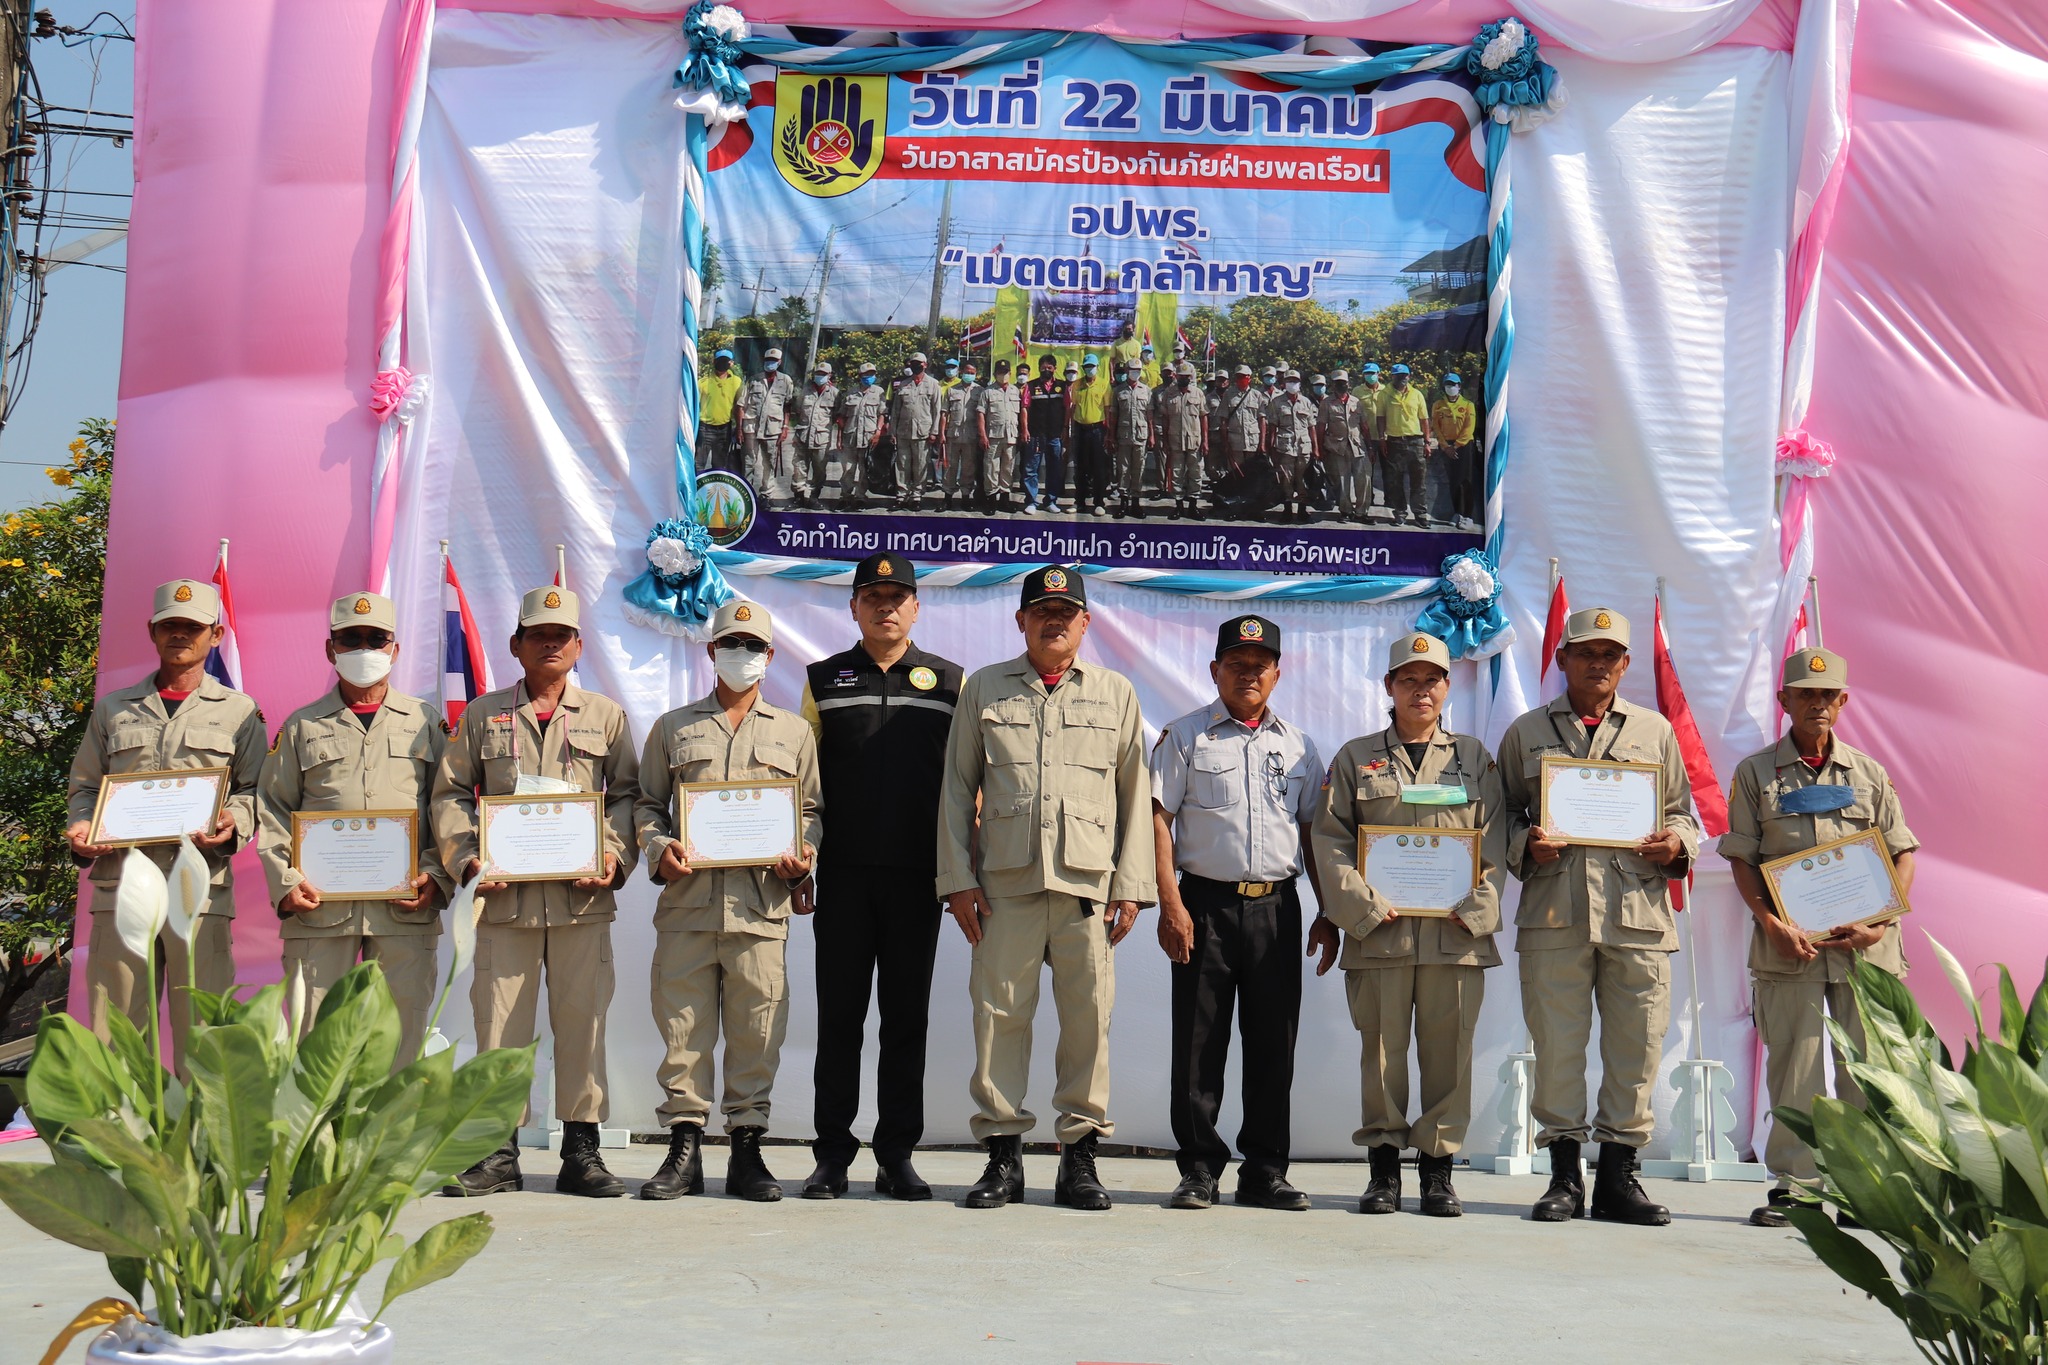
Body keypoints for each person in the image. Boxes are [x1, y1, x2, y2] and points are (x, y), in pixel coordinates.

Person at [938, 566, 1155, 1210]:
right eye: (1040, 610)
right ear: (1021, 621)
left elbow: (1134, 795)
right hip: (1006, 884)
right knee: (999, 1017)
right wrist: (957, 881)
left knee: (1088, 1021)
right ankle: (1003, 1157)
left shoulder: (1115, 693)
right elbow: (956, 790)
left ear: (1085, 623)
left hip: (1088, 886)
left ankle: (1079, 1160)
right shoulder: (985, 689)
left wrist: (1132, 885)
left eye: (1066, 611)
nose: (1053, 620)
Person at [433, 585, 640, 1199]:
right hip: (503, 900)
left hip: (581, 900)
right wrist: (467, 858)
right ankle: (497, 1152)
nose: (550, 643)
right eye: (538, 634)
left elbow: (628, 796)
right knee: (498, 1026)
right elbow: (448, 794)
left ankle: (582, 1151)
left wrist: (613, 853)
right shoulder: (481, 715)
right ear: (516, 644)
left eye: (562, 634)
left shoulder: (606, 716)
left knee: (584, 1023)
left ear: (578, 645)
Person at [1498, 607, 1699, 1226]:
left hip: (1636, 912)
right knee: (1557, 1046)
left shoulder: (1655, 731)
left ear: (1626, 664)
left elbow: (1684, 812)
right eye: (1585, 652)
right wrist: (1522, 845)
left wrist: (1677, 845)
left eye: (1610, 654)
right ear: (1563, 659)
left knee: (1635, 1048)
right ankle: (1563, 1176)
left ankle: (1619, 1178)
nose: (1597, 663)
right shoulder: (1527, 732)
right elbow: (1498, 815)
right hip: (1556, 913)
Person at [1718, 646, 1918, 1229]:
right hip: (1791, 948)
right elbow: (1743, 858)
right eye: (1806, 693)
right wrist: (1770, 922)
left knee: (1868, 1071)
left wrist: (1881, 920)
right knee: (1795, 1069)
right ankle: (1797, 1189)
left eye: (1827, 695)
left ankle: (1865, 1192)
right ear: (1785, 700)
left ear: (1843, 701)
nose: (1817, 704)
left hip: (1867, 950)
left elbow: (1903, 852)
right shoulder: (1756, 775)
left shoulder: (1870, 774)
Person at [1312, 631, 1506, 1218]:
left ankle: (1439, 1172)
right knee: (1382, 1055)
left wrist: (1475, 911)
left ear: (1448, 687)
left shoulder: (1475, 758)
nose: (1420, 690)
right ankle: (1383, 1171)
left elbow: (1494, 843)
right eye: (1408, 680)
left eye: (1432, 679)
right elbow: (1330, 841)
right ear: (1389, 686)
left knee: (1450, 1057)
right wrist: (1365, 910)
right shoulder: (1356, 757)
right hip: (1382, 935)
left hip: (1454, 937)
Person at [634, 598, 821, 1203]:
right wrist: (659, 847)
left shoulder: (793, 733)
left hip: (760, 909)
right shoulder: (674, 726)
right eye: (730, 645)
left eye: (753, 647)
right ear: (712, 651)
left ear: (770, 656)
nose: (742, 656)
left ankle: (747, 1150)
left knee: (756, 1029)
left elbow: (811, 811)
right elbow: (647, 804)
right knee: (683, 1030)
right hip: (688, 906)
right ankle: (683, 1149)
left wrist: (804, 856)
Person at [799, 554, 964, 1200]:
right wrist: (802, 861)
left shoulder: (949, 683)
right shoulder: (823, 680)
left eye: (898, 597)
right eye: (873, 596)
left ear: (917, 607)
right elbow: (802, 784)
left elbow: (964, 787)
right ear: (854, 607)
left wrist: (959, 872)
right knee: (839, 1019)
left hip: (916, 878)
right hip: (841, 876)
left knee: (905, 1020)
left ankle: (896, 1153)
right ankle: (831, 1156)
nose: (885, 606)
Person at [1152, 615, 1328, 1211]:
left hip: (1277, 908)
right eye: (1237, 663)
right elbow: (1159, 819)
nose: (1248, 674)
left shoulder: (1301, 746)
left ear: (1278, 672)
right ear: (1215, 670)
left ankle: (1264, 1170)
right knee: (1199, 1044)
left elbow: (1313, 835)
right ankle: (1199, 1168)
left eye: (1260, 665)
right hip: (1204, 905)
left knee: (1274, 1044)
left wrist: (1327, 910)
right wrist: (1170, 903)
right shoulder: (1185, 737)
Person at [67, 578, 265, 1068]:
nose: (181, 635)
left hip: (197, 886)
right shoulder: (113, 709)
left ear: (215, 635)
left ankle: (202, 1144)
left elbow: (258, 790)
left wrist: (233, 822)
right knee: (117, 1030)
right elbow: (87, 787)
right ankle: (125, 1143)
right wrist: (81, 827)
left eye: (192, 627)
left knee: (204, 1029)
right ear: (152, 632)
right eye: (170, 626)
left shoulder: (239, 712)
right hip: (121, 883)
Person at [258, 592, 449, 1066]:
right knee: (315, 1040)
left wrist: (435, 877)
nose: (364, 648)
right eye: (351, 639)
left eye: (375, 638)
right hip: (320, 911)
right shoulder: (301, 726)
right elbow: (272, 808)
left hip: (404, 909)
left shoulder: (426, 722)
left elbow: (447, 807)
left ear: (394, 649)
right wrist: (285, 881)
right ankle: (321, 1140)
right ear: (331, 649)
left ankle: (394, 1139)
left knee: (402, 1039)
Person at [890, 350, 944, 511]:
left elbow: (937, 410)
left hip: (923, 433)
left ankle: (916, 496)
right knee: (902, 465)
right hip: (903, 431)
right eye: (912, 364)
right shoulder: (903, 384)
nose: (915, 366)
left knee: (920, 465)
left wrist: (934, 432)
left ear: (925, 365)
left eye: (918, 364)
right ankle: (901, 496)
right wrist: (893, 432)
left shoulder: (933, 384)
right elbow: (895, 411)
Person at [1380, 364, 1432, 528]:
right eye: (1399, 375)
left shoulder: (1417, 394)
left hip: (1415, 441)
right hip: (1394, 441)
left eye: (1405, 375)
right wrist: (1382, 438)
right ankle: (1400, 513)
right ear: (1393, 377)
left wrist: (1427, 441)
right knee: (1396, 480)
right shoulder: (1385, 394)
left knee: (1419, 480)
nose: (1403, 378)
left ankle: (1420, 514)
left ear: (1409, 376)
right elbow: (1380, 417)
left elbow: (1424, 419)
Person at [741, 347, 795, 502]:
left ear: (779, 362)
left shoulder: (786, 381)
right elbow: (742, 404)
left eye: (773, 361)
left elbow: (787, 405)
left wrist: (785, 428)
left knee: (769, 463)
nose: (770, 363)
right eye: (767, 360)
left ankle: (766, 495)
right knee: (749, 462)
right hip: (751, 428)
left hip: (773, 429)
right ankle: (747, 495)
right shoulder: (754, 380)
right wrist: (739, 428)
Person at [1266, 368, 1319, 524]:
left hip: (1304, 447)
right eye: (1289, 381)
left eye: (1295, 381)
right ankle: (1287, 510)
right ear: (1284, 383)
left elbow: (1312, 427)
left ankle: (1302, 510)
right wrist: (1272, 449)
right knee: (1286, 480)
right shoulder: (1276, 402)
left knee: (1302, 480)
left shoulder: (1306, 402)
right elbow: (1273, 427)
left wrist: (1316, 448)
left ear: (1300, 383)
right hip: (1285, 447)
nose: (1292, 384)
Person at [1158, 361, 1209, 520]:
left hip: (1194, 441)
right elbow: (1165, 419)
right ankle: (1179, 507)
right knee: (1177, 474)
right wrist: (1165, 441)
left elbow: (1203, 418)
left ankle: (1193, 506)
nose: (1184, 379)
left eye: (1187, 377)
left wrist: (1205, 441)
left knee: (1195, 474)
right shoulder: (1169, 393)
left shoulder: (1198, 393)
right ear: (1176, 376)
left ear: (1191, 377)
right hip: (1175, 441)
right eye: (1181, 376)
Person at [1431, 372, 1480, 530]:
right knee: (1452, 481)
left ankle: (1468, 516)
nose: (1451, 387)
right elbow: (1436, 427)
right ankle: (1457, 512)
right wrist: (1445, 446)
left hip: (1464, 446)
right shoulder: (1438, 405)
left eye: (1454, 384)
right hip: (1446, 447)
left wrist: (1456, 446)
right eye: (1448, 384)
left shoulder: (1467, 405)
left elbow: (1469, 428)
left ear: (1459, 386)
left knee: (1465, 481)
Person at [834, 361, 886, 509]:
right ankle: (845, 496)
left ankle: (860, 497)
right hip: (850, 436)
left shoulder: (879, 392)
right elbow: (841, 417)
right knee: (848, 469)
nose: (869, 377)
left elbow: (882, 414)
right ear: (860, 375)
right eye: (866, 374)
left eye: (872, 374)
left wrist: (878, 431)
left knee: (864, 470)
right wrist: (839, 438)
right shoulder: (850, 392)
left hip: (868, 437)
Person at [789, 360, 839, 511]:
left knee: (819, 470)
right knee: (799, 468)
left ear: (829, 375)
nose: (820, 376)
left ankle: (813, 498)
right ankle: (798, 498)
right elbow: (797, 411)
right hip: (803, 435)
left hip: (821, 438)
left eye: (823, 374)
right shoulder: (805, 391)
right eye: (818, 374)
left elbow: (837, 415)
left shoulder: (836, 394)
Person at [1319, 370, 1369, 521]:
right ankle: (1346, 512)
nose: (1341, 385)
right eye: (1338, 383)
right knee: (1342, 480)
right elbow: (1321, 427)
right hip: (1336, 447)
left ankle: (1361, 513)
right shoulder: (1326, 403)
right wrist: (1320, 448)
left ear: (1348, 384)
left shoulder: (1357, 402)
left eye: (1344, 383)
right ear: (1333, 385)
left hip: (1357, 445)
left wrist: (1370, 447)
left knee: (1364, 479)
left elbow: (1364, 426)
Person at [1023, 353, 1069, 515]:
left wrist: (1065, 428)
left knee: (1054, 468)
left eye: (1049, 368)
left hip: (1055, 435)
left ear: (1055, 369)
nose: (1046, 370)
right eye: (1043, 368)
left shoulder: (1063, 387)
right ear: (1039, 369)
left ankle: (1050, 500)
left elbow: (1067, 409)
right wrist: (1025, 429)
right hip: (1036, 434)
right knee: (1031, 469)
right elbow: (1025, 408)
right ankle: (1031, 502)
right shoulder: (1030, 386)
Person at [1109, 357, 1153, 519]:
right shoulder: (1118, 391)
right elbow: (1114, 415)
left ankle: (1136, 503)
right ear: (1127, 371)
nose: (1135, 373)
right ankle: (1123, 503)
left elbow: (1149, 416)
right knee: (1123, 470)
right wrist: (1111, 436)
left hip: (1141, 436)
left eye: (1138, 371)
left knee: (1138, 470)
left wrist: (1152, 436)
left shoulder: (1146, 391)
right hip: (1124, 436)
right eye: (1132, 370)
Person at [980, 359, 1025, 512]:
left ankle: (1004, 500)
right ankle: (991, 500)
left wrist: (1022, 433)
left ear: (1010, 374)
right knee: (991, 468)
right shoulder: (987, 392)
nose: (1003, 375)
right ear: (994, 374)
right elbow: (981, 414)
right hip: (993, 436)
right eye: (1000, 373)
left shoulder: (1016, 391)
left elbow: (1021, 415)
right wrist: (983, 435)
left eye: (1005, 373)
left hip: (1011, 436)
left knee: (1008, 468)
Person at [1068, 354, 1111, 517]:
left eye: (1092, 366)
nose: (1089, 369)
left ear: (1097, 367)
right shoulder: (1077, 385)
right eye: (1086, 367)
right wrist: (1070, 429)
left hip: (1098, 430)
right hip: (1080, 429)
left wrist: (1109, 433)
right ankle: (1079, 502)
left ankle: (1099, 502)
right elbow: (1073, 408)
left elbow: (1107, 410)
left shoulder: (1104, 384)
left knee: (1099, 468)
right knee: (1080, 468)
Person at [941, 359, 983, 512]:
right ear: (961, 372)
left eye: (972, 373)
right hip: (953, 434)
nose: (969, 375)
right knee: (950, 467)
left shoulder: (980, 391)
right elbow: (944, 414)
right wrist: (942, 433)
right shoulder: (952, 390)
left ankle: (966, 497)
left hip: (971, 436)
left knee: (968, 468)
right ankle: (947, 498)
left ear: (976, 374)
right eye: (966, 373)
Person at [1218, 364, 1265, 493]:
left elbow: (1262, 421)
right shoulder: (1228, 395)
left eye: (1244, 377)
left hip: (1252, 442)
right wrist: (1225, 442)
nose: (1241, 379)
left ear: (1249, 378)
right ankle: (1236, 504)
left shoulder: (1257, 395)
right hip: (1235, 442)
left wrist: (1262, 443)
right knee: (1235, 474)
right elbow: (1223, 421)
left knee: (1253, 475)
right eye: (1238, 377)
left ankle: (1250, 507)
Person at [698, 348, 744, 473]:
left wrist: (739, 429)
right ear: (714, 362)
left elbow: (739, 406)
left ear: (731, 363)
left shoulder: (737, 382)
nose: (722, 363)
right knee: (698, 464)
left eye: (725, 361)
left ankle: (714, 492)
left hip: (725, 429)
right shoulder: (703, 382)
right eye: (719, 360)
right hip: (705, 428)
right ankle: (697, 491)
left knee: (719, 466)